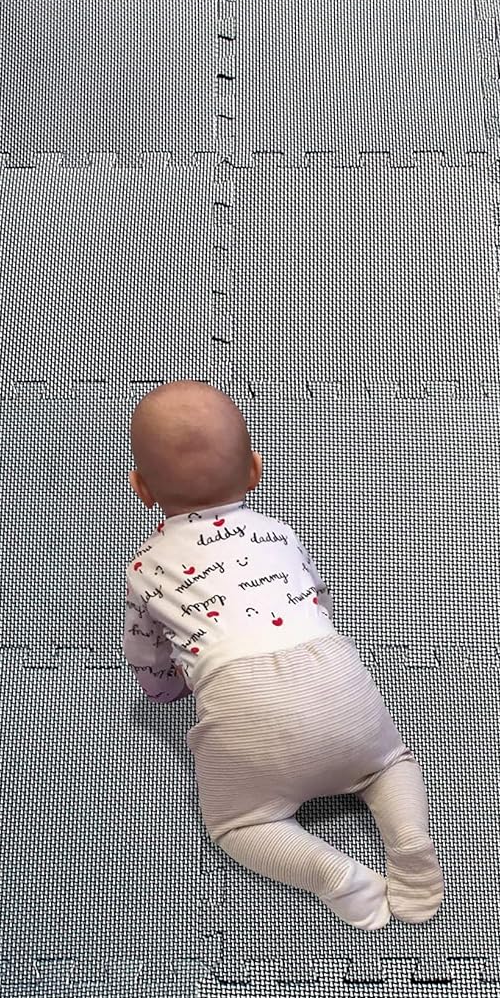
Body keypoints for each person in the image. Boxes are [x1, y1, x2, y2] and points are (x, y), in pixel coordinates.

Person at [123, 380, 444, 931]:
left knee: (238, 825)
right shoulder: (278, 534)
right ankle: (411, 845)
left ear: (141, 488)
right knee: (390, 764)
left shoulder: (146, 564)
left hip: (246, 708)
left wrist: (166, 688)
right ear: (254, 470)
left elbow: (147, 654)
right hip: (335, 674)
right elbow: (317, 597)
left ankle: (332, 873)